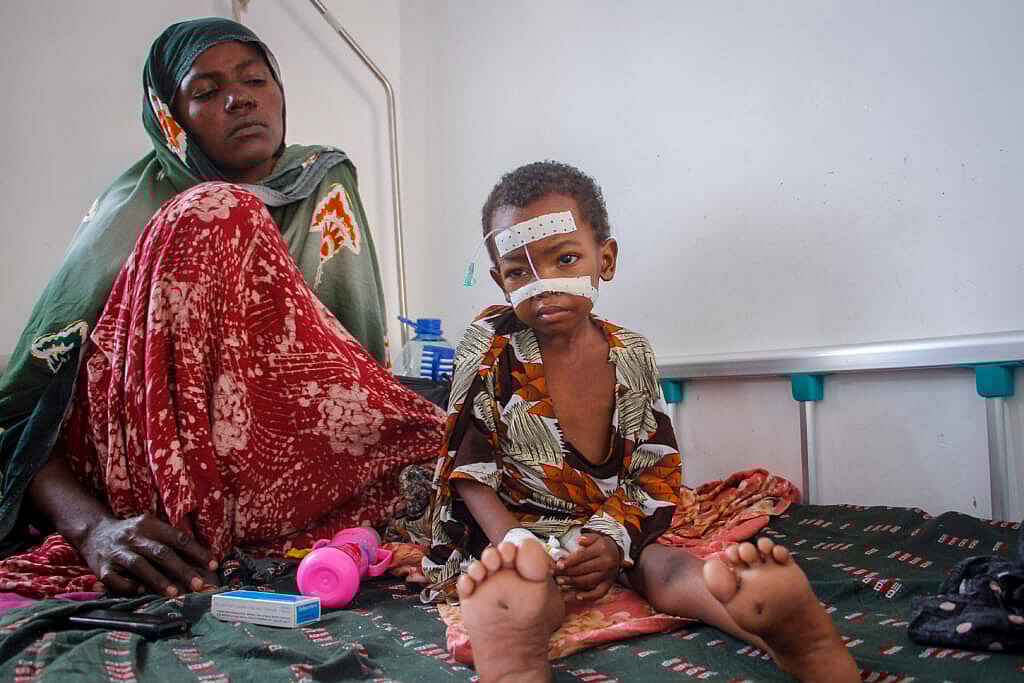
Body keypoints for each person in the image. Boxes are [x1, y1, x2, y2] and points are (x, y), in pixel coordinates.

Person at [0, 18, 443, 598]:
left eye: (255, 80)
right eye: (207, 92)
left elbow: (349, 375)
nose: (240, 99)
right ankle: (199, 522)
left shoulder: (321, 181)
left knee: (462, 445)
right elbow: (23, 416)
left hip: (273, 464)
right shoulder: (135, 215)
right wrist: (92, 529)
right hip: (143, 481)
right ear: (172, 119)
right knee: (217, 209)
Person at [421, 160, 859, 682]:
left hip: (614, 526)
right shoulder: (489, 343)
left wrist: (612, 541)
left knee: (668, 568)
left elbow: (653, 469)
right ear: (499, 280)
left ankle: (773, 624)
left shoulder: (631, 353)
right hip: (519, 533)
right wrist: (515, 544)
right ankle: (514, 642)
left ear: (604, 260)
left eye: (565, 259)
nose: (543, 286)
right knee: (529, 586)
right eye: (520, 271)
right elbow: (466, 462)